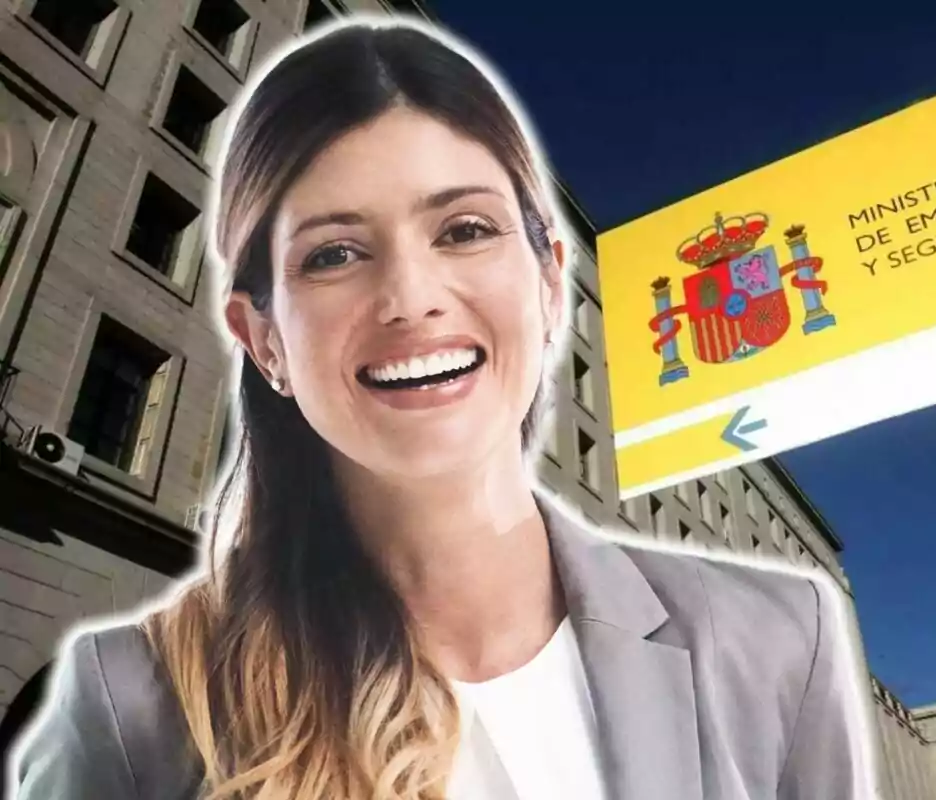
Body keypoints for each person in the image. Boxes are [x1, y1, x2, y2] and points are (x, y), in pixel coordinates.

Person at [9, 16, 873, 800]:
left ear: (545, 284)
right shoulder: (129, 701)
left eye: (464, 230)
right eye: (336, 253)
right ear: (261, 336)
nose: (411, 298)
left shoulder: (778, 642)